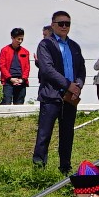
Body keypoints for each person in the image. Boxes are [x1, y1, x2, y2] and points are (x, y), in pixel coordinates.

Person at [32, 11, 86, 172]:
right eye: (61, 23)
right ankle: (39, 168)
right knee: (44, 134)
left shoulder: (74, 46)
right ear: (53, 24)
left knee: (67, 134)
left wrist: (79, 84)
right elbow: (47, 69)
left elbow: (82, 68)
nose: (64, 26)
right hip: (51, 96)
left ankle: (65, 167)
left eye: (67, 23)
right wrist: (68, 84)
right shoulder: (45, 44)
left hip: (70, 98)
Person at [0, 29, 31, 105]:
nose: (20, 41)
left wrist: (22, 79)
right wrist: (10, 78)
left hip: (21, 81)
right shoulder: (4, 50)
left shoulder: (25, 52)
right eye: (18, 39)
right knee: (7, 102)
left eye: (22, 39)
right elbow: (2, 66)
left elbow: (27, 67)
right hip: (8, 81)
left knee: (19, 103)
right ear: (12, 38)